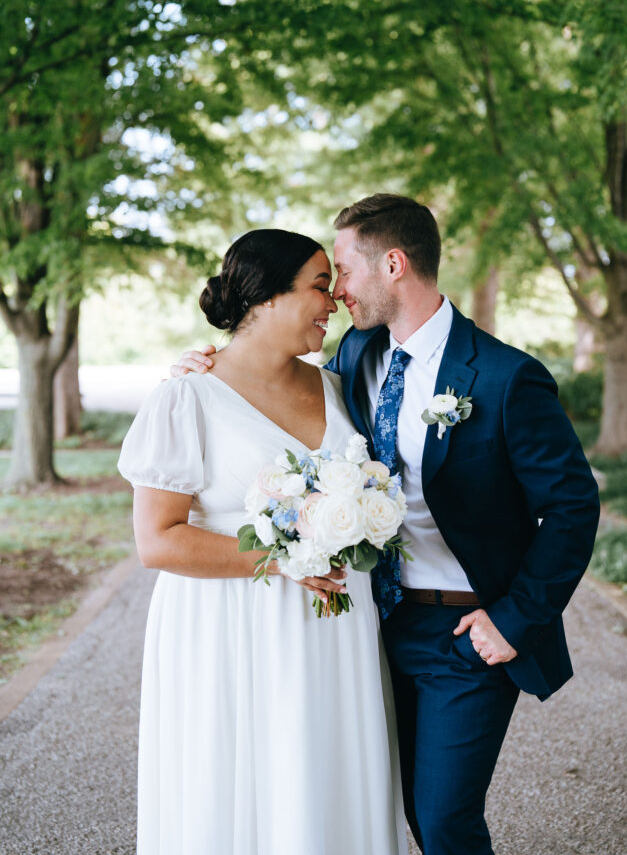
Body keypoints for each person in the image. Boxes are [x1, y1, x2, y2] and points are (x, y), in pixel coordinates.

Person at [174, 195, 600, 855]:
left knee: (443, 821)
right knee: (382, 809)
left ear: (393, 264)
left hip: (463, 635)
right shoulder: (356, 356)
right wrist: (209, 374)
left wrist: (514, 618)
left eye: (341, 271)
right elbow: (280, 397)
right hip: (367, 629)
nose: (336, 291)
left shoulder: (504, 377)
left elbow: (572, 507)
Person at [119, 228, 408, 855]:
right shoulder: (185, 397)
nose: (332, 303)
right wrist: (283, 560)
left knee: (326, 781)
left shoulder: (337, 387)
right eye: (319, 286)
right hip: (228, 627)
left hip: (334, 632)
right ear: (265, 298)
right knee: (233, 788)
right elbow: (158, 542)